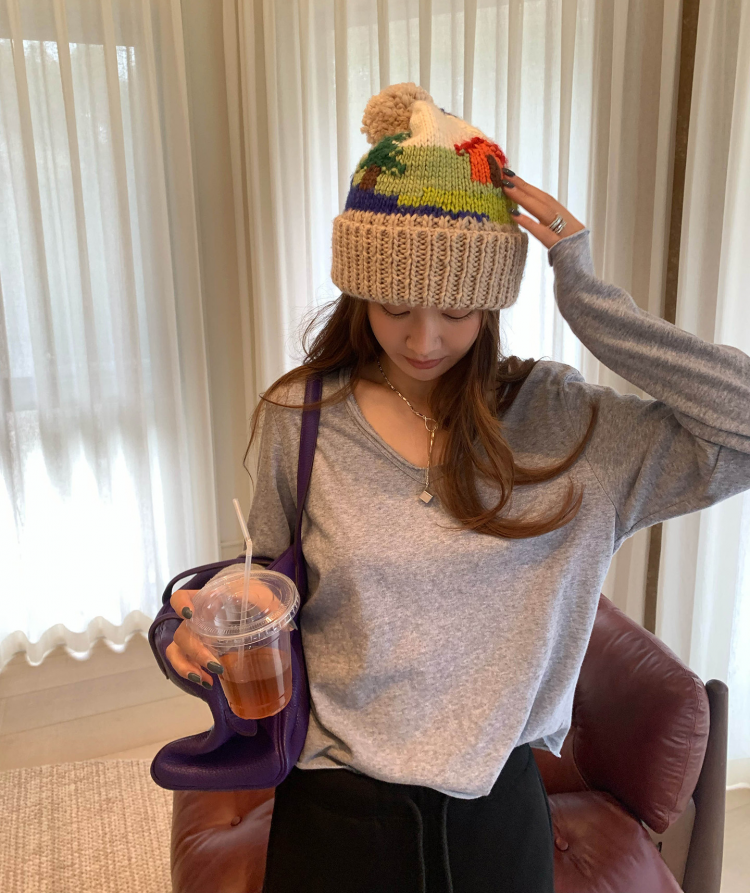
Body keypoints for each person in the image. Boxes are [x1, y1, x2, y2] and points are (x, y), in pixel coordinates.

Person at [164, 83, 750, 893]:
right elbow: (262, 579)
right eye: (395, 303)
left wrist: (590, 302)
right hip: (332, 812)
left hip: (497, 821)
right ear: (359, 288)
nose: (425, 337)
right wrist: (203, 620)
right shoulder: (302, 418)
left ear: (493, 301)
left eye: (459, 307)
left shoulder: (568, 426)